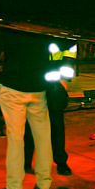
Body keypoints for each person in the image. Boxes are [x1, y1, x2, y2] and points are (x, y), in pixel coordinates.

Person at [0, 28, 71, 189]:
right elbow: (66, 44)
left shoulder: (6, 30)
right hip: (38, 89)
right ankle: (44, 185)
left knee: (16, 140)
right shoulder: (41, 29)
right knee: (43, 139)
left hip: (13, 88)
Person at [23, 43, 73, 176]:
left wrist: (63, 82)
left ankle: (59, 161)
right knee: (31, 126)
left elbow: (66, 58)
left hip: (50, 85)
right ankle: (26, 161)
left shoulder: (56, 39)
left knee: (54, 126)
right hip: (38, 83)